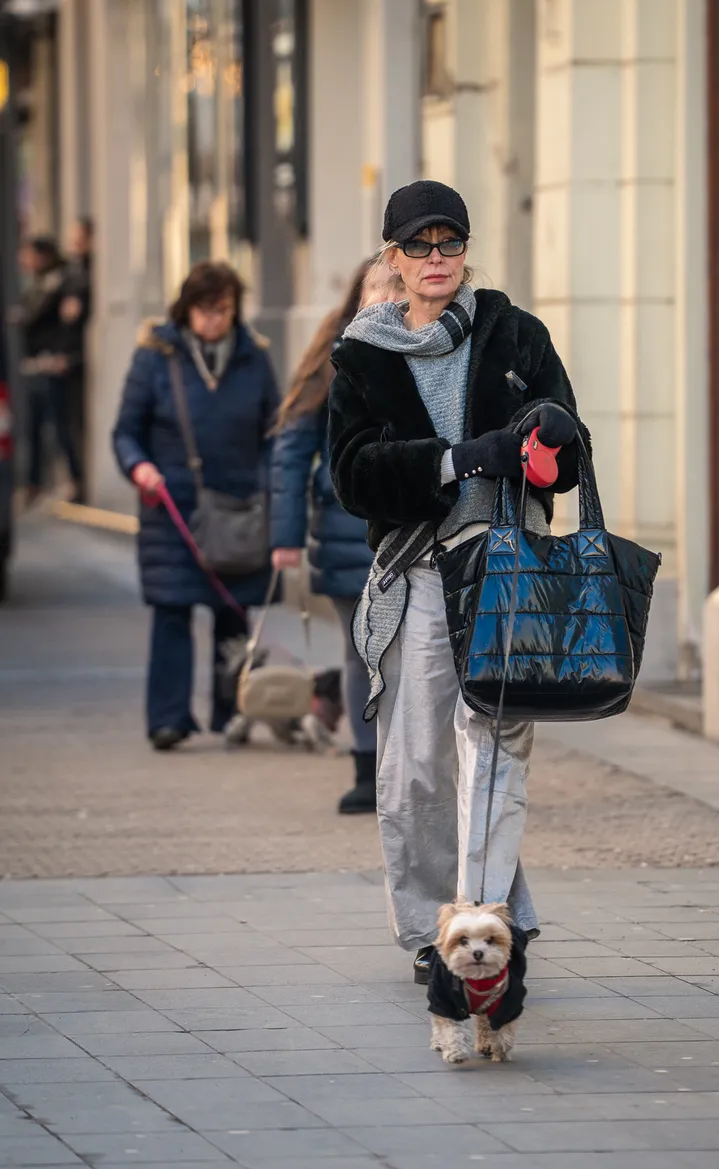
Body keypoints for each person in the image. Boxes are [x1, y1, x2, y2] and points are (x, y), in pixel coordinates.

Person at [328, 180, 587, 982]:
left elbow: (567, 454)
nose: (436, 259)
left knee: (496, 752)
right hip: (418, 574)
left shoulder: (515, 334)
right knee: (413, 766)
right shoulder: (363, 355)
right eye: (418, 246)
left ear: (466, 250)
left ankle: (481, 930)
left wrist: (552, 432)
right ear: (393, 258)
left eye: (449, 243)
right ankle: (426, 929)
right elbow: (352, 476)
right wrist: (454, 459)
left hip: (506, 569)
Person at [112, 261, 280, 751]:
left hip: (238, 507)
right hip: (173, 509)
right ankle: (168, 718)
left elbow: (274, 430)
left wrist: (268, 483)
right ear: (187, 309)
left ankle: (233, 712)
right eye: (205, 311)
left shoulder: (254, 357)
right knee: (171, 610)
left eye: (223, 310)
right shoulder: (155, 357)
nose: (213, 321)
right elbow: (126, 431)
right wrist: (138, 467)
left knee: (233, 613)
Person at [270, 259, 401, 814]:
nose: (390, 296)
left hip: (413, 530)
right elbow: (291, 451)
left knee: (416, 658)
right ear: (358, 296)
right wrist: (286, 536)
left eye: (398, 285)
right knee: (361, 653)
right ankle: (366, 767)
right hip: (347, 528)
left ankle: (413, 769)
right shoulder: (334, 356)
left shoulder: (432, 348)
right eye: (380, 286)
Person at [13, 236, 81, 503]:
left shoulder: (60, 282)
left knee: (60, 426)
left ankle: (73, 479)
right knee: (33, 428)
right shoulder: (36, 284)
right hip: (35, 365)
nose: (25, 261)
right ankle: (34, 484)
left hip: (52, 364)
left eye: (29, 255)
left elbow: (39, 317)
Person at [59, 218, 95, 502]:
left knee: (74, 422)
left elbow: (72, 312)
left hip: (77, 357)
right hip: (69, 355)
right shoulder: (71, 271)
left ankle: (80, 480)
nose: (74, 242)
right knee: (67, 423)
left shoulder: (88, 271)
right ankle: (76, 478)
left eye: (78, 236)